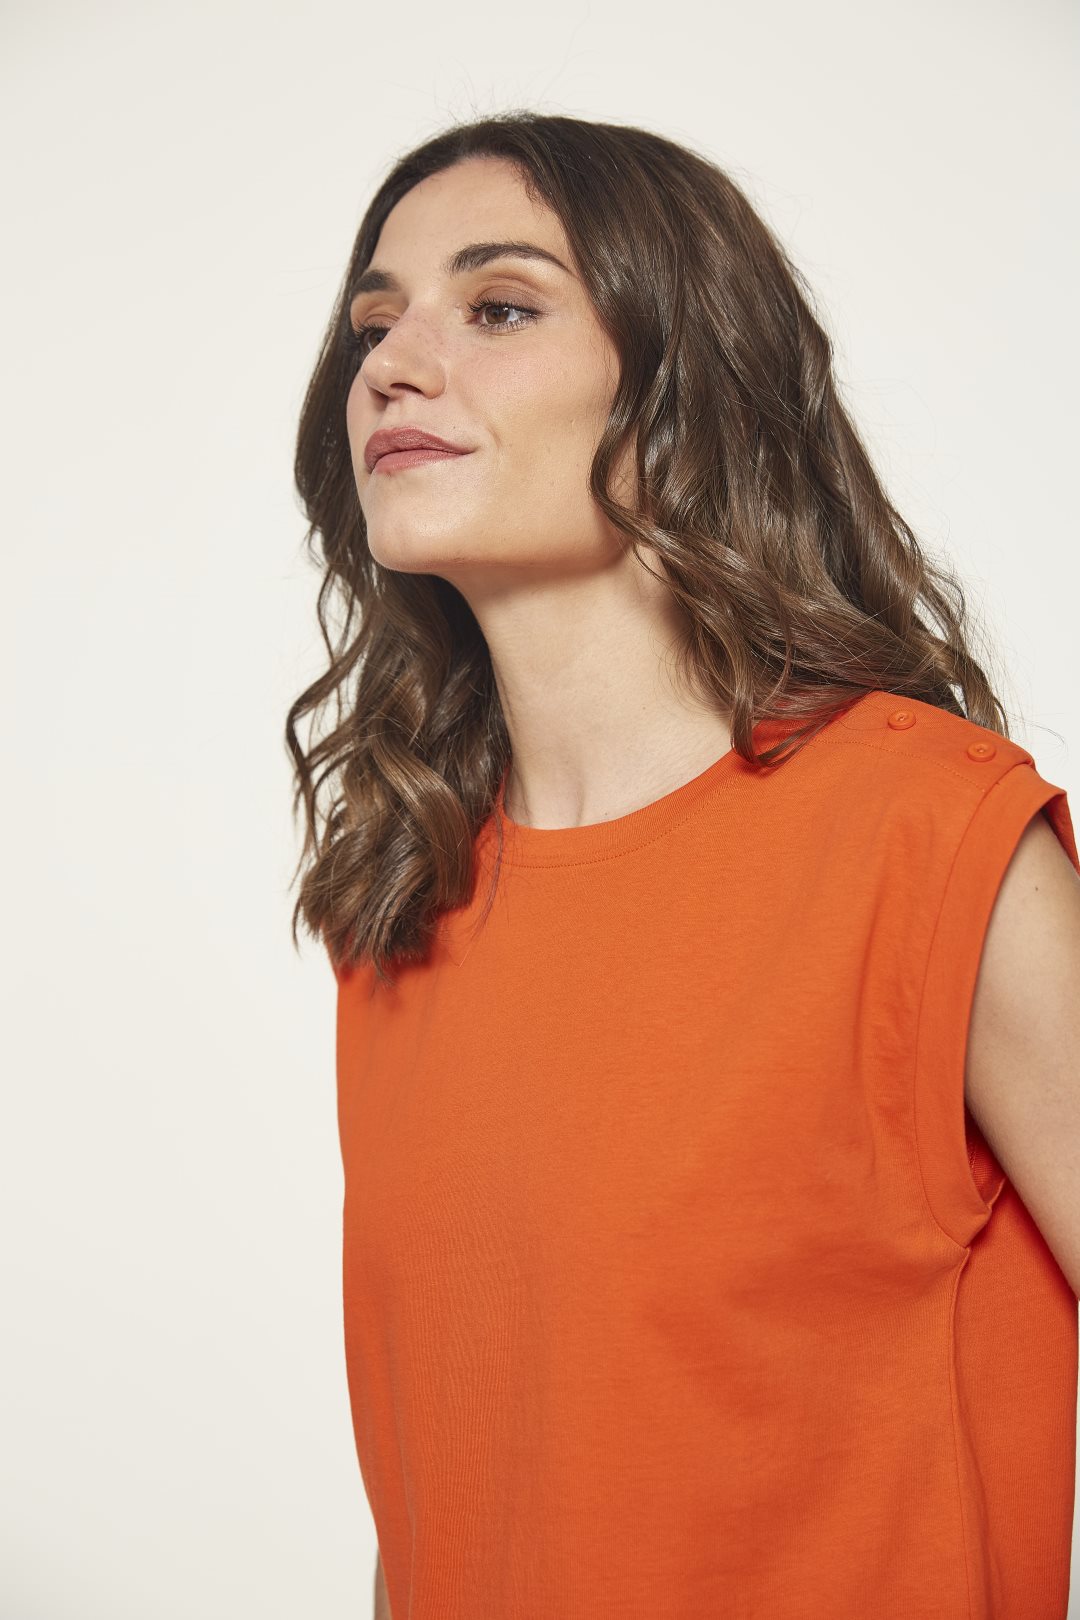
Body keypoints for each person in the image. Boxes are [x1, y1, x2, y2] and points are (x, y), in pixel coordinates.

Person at [286, 112, 1080, 1619]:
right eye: (374, 324)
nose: (390, 364)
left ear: (682, 393)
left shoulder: (926, 837)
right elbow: (457, 1490)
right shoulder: (404, 899)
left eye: (499, 307)